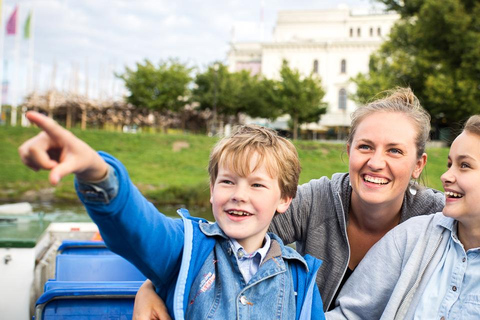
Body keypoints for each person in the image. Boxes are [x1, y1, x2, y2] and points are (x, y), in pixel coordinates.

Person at [132, 87, 446, 319]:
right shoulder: (317, 200)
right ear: (349, 150)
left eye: (395, 151)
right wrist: (153, 285)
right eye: (365, 146)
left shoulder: (437, 216)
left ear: (419, 164)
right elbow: (231, 236)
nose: (375, 162)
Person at [19, 112, 325, 320]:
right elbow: (138, 226)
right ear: (212, 189)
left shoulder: (301, 277)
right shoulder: (185, 246)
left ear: (284, 199)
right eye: (227, 181)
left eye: (257, 185)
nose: (239, 195)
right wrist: (96, 172)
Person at [327, 115, 480, 319]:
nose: (446, 176)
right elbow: (351, 315)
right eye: (449, 164)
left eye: (464, 166)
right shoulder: (411, 236)